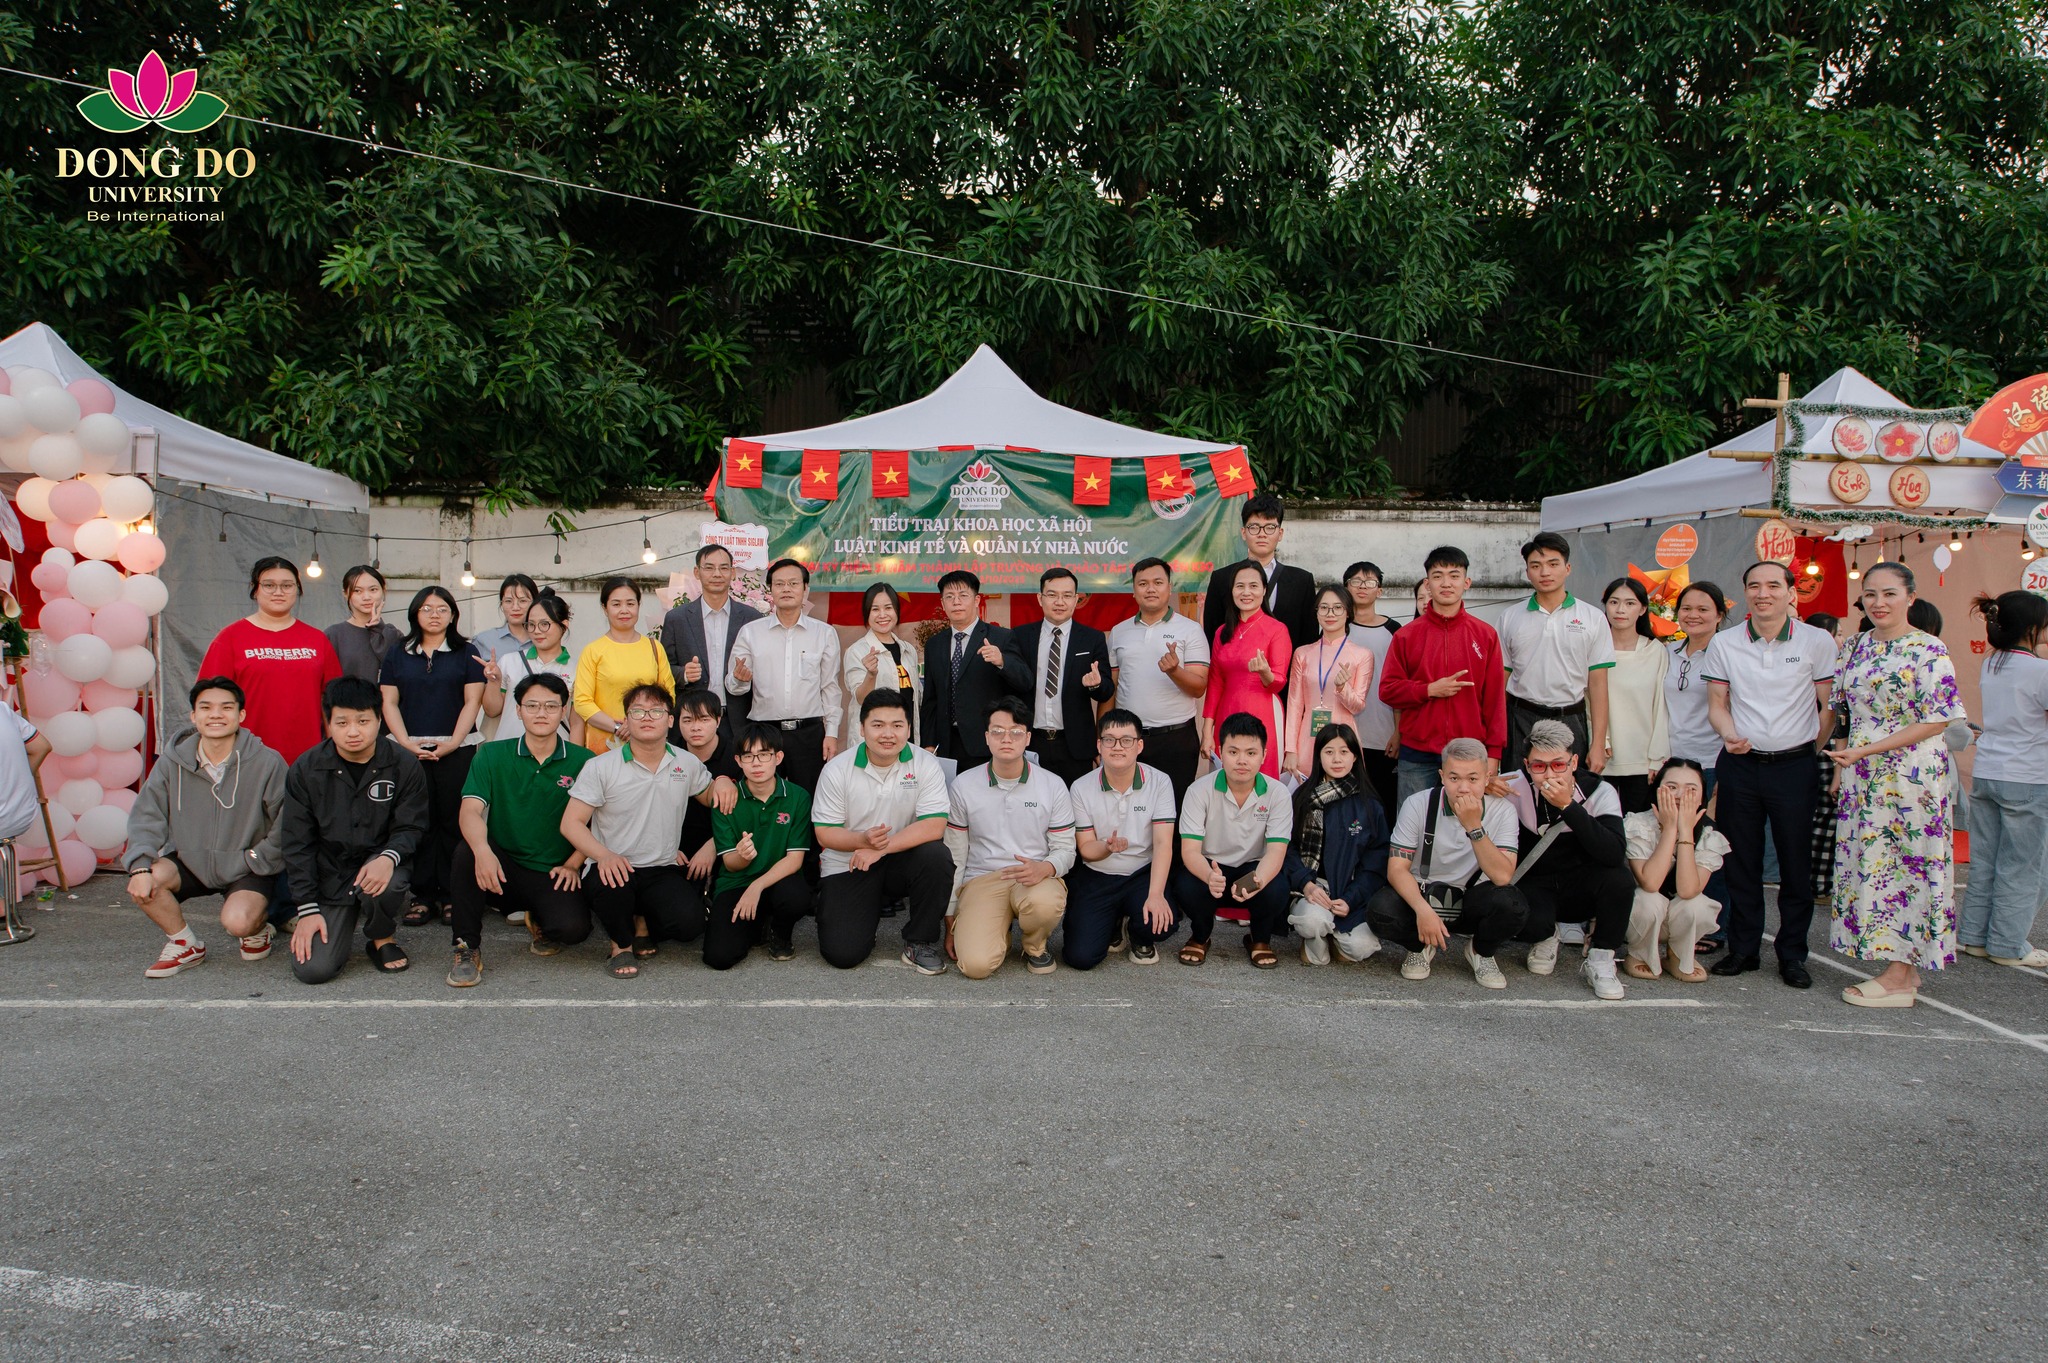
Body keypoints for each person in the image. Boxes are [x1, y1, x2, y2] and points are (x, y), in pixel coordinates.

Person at [1829, 563, 1964, 1008]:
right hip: (1861, 775)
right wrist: (1841, 763)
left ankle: (1900, 976)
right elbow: (1841, 709)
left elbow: (1937, 720)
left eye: (1889, 593)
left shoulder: (1929, 648)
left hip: (1912, 778)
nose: (1878, 603)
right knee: (1872, 864)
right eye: (1870, 594)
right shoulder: (1855, 646)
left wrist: (1866, 751)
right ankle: (1901, 967)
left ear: (1910, 597)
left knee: (1909, 866)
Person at [1702, 560, 1838, 989]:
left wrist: (1809, 749)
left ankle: (1792, 954)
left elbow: (1828, 708)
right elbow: (1717, 704)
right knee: (1741, 860)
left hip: (1795, 767)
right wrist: (1729, 734)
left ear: (1790, 592)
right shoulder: (1725, 643)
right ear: (1745, 592)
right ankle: (1743, 949)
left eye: (1773, 586)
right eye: (1755, 586)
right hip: (1741, 765)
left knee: (1795, 863)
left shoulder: (1817, 641)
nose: (1764, 593)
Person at [560, 683, 738, 979]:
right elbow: (570, 823)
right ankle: (621, 945)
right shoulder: (601, 766)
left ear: (670, 720)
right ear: (626, 720)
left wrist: (721, 781)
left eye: (656, 711)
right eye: (638, 711)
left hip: (662, 867)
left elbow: (710, 797)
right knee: (614, 887)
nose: (646, 717)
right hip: (614, 864)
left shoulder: (685, 762)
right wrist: (603, 856)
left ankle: (641, 920)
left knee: (689, 925)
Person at [121, 678, 286, 976]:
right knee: (148, 881)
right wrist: (140, 866)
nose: (216, 715)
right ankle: (185, 943)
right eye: (206, 708)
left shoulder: (267, 762)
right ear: (193, 715)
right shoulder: (172, 762)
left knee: (238, 923)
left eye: (226, 708)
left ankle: (257, 928)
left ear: (241, 715)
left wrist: (255, 859)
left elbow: (287, 823)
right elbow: (147, 814)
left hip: (246, 866)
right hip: (190, 861)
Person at [445, 673, 593, 988]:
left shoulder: (584, 761)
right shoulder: (491, 754)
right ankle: (466, 947)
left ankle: (538, 916)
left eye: (551, 706)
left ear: (563, 710)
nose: (541, 713)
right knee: (467, 851)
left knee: (573, 930)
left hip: (553, 871)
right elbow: (470, 810)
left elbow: (598, 824)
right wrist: (483, 851)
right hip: (502, 867)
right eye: (532, 705)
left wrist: (573, 863)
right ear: (518, 710)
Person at [281, 677, 430, 984]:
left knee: (388, 884)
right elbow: (297, 843)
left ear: (379, 720)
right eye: (342, 722)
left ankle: (381, 937)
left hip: (380, 863)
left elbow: (411, 826)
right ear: (328, 723)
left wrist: (388, 857)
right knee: (314, 970)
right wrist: (307, 910)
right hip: (330, 873)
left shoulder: (403, 764)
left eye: (363, 721)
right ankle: (337, 916)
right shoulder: (306, 768)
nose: (352, 731)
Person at [1365, 737, 1526, 988]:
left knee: (1512, 905)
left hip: (1472, 899)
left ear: (1487, 778)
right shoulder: (1417, 803)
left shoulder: (1503, 810)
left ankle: (1481, 951)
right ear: (1442, 776)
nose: (1463, 788)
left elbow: (1502, 876)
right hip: (1424, 894)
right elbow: (1396, 869)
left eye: (1472, 779)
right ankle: (1419, 946)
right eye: (1454, 778)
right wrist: (1423, 911)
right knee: (1380, 910)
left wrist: (1474, 827)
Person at [813, 689, 956, 972]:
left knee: (936, 856)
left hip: (900, 858)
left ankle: (919, 942)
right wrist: (861, 840)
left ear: (909, 729)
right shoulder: (837, 769)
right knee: (843, 954)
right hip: (850, 862)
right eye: (878, 725)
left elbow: (934, 825)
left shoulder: (925, 764)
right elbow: (825, 833)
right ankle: (860, 914)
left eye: (897, 725)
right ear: (862, 728)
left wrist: (880, 848)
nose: (888, 734)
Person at [1498, 719, 1634, 999]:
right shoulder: (1512, 786)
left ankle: (1601, 956)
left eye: (1558, 764)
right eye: (1539, 766)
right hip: (1535, 882)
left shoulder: (1599, 791)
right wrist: (1483, 787)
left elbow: (1613, 853)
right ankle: (1547, 935)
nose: (1549, 774)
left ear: (1574, 762)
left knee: (1620, 880)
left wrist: (1568, 806)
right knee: (1515, 913)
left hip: (1581, 884)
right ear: (1527, 765)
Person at [943, 696, 1076, 979]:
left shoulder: (1052, 785)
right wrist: (951, 912)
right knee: (975, 966)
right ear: (986, 738)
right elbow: (955, 852)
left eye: (1016, 732)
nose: (1006, 738)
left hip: (1033, 877)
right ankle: (995, 931)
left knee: (1044, 904)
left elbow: (1066, 849)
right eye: (998, 731)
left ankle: (1035, 946)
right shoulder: (964, 785)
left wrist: (1045, 867)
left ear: (1028, 738)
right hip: (983, 879)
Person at [378, 585, 486, 927]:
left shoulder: (467, 652)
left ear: (452, 615)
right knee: (418, 822)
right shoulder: (398, 653)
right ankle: (422, 895)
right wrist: (404, 743)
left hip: (457, 749)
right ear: (415, 613)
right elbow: (389, 702)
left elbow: (473, 701)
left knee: (454, 822)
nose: (434, 614)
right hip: (409, 751)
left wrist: (453, 743)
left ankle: (454, 895)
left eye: (442, 609)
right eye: (426, 608)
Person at [1378, 546, 1506, 808]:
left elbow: (1495, 700)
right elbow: (1388, 690)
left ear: (1466, 582)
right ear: (1427, 584)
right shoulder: (1406, 635)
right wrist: (1428, 690)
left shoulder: (1485, 635)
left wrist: (1493, 753)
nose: (1446, 583)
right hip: (1418, 753)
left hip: (1469, 753)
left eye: (1454, 575)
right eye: (1438, 576)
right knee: (1413, 822)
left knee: (1465, 822)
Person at [1961, 591, 2048, 968]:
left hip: (1988, 770)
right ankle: (2007, 944)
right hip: (2028, 775)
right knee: (2023, 864)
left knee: (1986, 860)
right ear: (2032, 627)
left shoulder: (1992, 664)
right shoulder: (2040, 670)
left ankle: (1976, 937)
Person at [1170, 713, 1293, 967]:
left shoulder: (1278, 793)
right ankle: (1200, 936)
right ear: (1220, 752)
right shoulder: (1198, 791)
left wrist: (1257, 880)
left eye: (1251, 753)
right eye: (1233, 752)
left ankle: (1260, 939)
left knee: (1277, 889)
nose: (1242, 761)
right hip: (1211, 868)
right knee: (1185, 884)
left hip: (1253, 868)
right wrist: (1209, 876)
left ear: (1264, 755)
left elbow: (1276, 852)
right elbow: (1190, 851)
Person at [199, 556, 343, 763]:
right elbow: (210, 700)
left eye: (287, 585)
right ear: (255, 589)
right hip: (247, 757)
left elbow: (333, 701)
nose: (278, 592)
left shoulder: (317, 639)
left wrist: (335, 750)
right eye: (269, 585)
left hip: (307, 759)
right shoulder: (230, 637)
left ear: (297, 589)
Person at [1064, 709, 1177, 968]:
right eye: (1109, 740)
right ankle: (1113, 920)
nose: (1117, 747)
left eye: (1126, 740)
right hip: (1098, 873)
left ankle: (1138, 934)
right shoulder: (1081, 787)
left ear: (1139, 746)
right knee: (1080, 957)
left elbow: (1163, 844)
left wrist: (1156, 894)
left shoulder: (1159, 782)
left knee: (1161, 923)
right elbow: (1086, 849)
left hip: (1141, 872)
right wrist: (1106, 847)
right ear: (1099, 745)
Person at [1497, 532, 1613, 770]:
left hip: (1570, 717)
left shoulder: (1592, 618)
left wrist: (1599, 743)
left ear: (1567, 568)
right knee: (1518, 787)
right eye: (1536, 566)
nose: (1545, 572)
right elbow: (1500, 680)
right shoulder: (1510, 617)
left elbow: (1598, 684)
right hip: (1521, 717)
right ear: (1527, 572)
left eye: (1553, 564)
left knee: (1568, 788)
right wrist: (1494, 742)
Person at [726, 557, 842, 796]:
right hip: (764, 734)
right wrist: (740, 679)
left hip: (808, 734)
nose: (786, 589)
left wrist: (831, 733)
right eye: (779, 584)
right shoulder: (751, 633)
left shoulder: (824, 633)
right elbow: (733, 686)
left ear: (805, 588)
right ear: (770, 589)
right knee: (763, 799)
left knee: (809, 800)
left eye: (793, 583)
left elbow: (830, 687)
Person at [706, 723, 815, 968]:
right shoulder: (726, 798)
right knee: (719, 957)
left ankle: (781, 933)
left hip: (778, 880)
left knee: (796, 896)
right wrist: (743, 856)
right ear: (738, 760)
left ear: (778, 757)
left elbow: (795, 859)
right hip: (737, 882)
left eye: (764, 754)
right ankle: (757, 925)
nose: (756, 763)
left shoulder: (798, 796)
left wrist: (757, 886)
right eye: (748, 756)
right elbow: (730, 864)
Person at [1281, 724, 1389, 967]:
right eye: (1329, 752)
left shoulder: (1369, 805)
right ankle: (1315, 939)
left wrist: (1351, 897)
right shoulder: (1303, 798)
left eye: (1344, 752)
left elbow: (1376, 861)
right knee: (1313, 923)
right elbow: (1287, 848)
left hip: (1352, 893)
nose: (1337, 759)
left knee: (1361, 947)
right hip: (1313, 888)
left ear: (1355, 756)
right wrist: (1306, 884)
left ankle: (1339, 939)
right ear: (1318, 756)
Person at [1108, 557, 1211, 805]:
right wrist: (1104, 733)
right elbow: (1111, 689)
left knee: (1174, 809)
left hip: (1175, 738)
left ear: (1169, 587)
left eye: (1158, 582)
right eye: (1143, 584)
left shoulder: (1191, 630)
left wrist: (1175, 671)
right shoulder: (1119, 632)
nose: (1150, 589)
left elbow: (1199, 687)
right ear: (1134, 591)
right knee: (1127, 808)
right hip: (1128, 739)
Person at [651, 688, 743, 956]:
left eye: (704, 719)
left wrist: (714, 846)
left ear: (718, 719)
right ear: (675, 722)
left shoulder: (737, 755)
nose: (695, 727)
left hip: (729, 841)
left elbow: (750, 812)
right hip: (679, 845)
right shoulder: (667, 754)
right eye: (688, 720)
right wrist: (668, 847)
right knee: (673, 923)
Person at [1664, 581, 1731, 949]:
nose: (1693, 615)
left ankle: (1714, 927)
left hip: (1711, 763)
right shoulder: (1667, 652)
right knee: (1670, 842)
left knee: (1709, 844)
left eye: (1703, 609)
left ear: (1719, 614)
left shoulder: (1728, 654)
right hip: (1672, 762)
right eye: (1686, 608)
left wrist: (1725, 770)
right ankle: (1674, 920)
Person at [1623, 757, 1730, 982]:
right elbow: (1650, 883)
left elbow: (1688, 890)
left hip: (1676, 917)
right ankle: (1639, 953)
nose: (1680, 795)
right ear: (1657, 790)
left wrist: (1686, 831)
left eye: (1691, 789)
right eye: (1671, 787)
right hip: (1640, 916)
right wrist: (1670, 829)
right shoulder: (1638, 824)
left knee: (1697, 904)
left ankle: (1679, 955)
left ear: (1701, 796)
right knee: (1648, 899)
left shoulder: (1709, 835)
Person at [1013, 567, 1117, 785]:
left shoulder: (1092, 638)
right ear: (1040, 598)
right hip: (1031, 742)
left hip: (1075, 745)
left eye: (1067, 596)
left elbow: (1107, 690)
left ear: (1076, 599)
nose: (1059, 602)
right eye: (1052, 595)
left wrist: (1096, 685)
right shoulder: (1020, 636)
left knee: (1075, 803)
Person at [920, 570, 1032, 766]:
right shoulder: (935, 644)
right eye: (949, 597)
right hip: (946, 744)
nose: (956, 602)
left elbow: (1025, 682)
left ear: (976, 600)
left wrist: (1002, 661)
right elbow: (931, 699)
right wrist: (929, 743)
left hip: (986, 742)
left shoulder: (1000, 637)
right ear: (942, 603)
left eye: (963, 595)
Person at [1202, 562, 1292, 779]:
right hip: (1227, 711)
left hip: (1263, 711)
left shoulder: (1277, 629)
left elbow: (1279, 682)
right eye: (1240, 586)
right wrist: (1207, 731)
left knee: (1262, 779)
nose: (1246, 592)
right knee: (1225, 778)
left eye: (1253, 586)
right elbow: (1215, 683)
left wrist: (1264, 672)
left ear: (1264, 590)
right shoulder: (1222, 632)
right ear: (1232, 591)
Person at [661, 544, 760, 739]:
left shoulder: (752, 618)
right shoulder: (677, 618)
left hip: (738, 721)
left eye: (723, 568)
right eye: (709, 567)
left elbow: (764, 669)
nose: (717, 574)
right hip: (692, 721)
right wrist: (684, 674)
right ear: (697, 572)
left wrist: (746, 675)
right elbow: (662, 668)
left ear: (732, 573)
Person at [573, 577, 676, 752]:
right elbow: (582, 702)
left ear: (638, 605)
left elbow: (668, 695)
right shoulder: (593, 651)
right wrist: (618, 727)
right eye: (616, 604)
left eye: (630, 603)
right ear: (605, 608)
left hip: (648, 741)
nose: (624, 610)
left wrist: (639, 723)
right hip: (604, 744)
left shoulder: (654, 648)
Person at [1202, 493, 1317, 648]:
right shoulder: (1221, 578)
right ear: (1244, 533)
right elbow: (1212, 636)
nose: (1262, 534)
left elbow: (1309, 640)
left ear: (1280, 533)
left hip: (1285, 663)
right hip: (1236, 663)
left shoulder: (1302, 581)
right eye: (1254, 527)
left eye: (1270, 527)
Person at [1283, 586, 1373, 780]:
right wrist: (1290, 749)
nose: (1330, 613)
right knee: (1307, 793)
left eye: (1337, 608)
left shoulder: (1362, 655)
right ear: (1316, 613)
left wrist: (1343, 688)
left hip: (1343, 739)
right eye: (1324, 607)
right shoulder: (1303, 653)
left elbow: (1357, 706)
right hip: (1307, 738)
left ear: (1348, 612)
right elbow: (1295, 705)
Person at [1598, 576, 1669, 813]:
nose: (1620, 610)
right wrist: (1600, 741)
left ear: (1643, 609)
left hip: (1642, 762)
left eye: (1630, 603)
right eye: (1614, 602)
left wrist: (1657, 758)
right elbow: (1587, 702)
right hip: (1600, 758)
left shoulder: (1655, 651)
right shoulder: (1594, 648)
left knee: (1639, 827)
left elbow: (1660, 707)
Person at [481, 587, 584, 747]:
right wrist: (493, 682)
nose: (536, 631)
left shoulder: (578, 669)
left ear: (564, 625)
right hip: (509, 751)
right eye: (531, 625)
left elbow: (576, 723)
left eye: (544, 624)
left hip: (555, 754)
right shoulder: (509, 661)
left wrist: (574, 757)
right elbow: (492, 711)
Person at [1343, 560, 1402, 814]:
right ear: (1346, 587)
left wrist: (1398, 732)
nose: (1362, 587)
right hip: (1344, 733)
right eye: (1356, 581)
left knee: (1382, 806)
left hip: (1383, 735)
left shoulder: (1394, 631)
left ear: (1380, 590)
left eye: (1369, 582)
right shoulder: (1336, 627)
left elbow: (1400, 684)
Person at [842, 581, 921, 746]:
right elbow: (861, 698)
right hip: (874, 743)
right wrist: (871, 675)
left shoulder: (908, 650)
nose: (882, 615)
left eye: (888, 608)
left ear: (896, 610)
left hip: (906, 740)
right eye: (875, 609)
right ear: (867, 613)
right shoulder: (857, 651)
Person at [0, 695, 51, 943]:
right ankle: (2, 905)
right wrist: (21, 780)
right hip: (22, 811)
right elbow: (42, 746)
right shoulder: (4, 710)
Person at [326, 564, 403, 684]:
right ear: (345, 593)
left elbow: (399, 671)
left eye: (373, 590)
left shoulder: (392, 634)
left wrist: (377, 628)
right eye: (357, 591)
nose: (366, 597)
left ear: (383, 590)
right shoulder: (334, 634)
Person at [470, 574, 539, 667]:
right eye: (508, 601)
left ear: (535, 604)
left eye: (523, 601)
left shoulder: (544, 639)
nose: (515, 607)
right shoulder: (483, 640)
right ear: (501, 604)